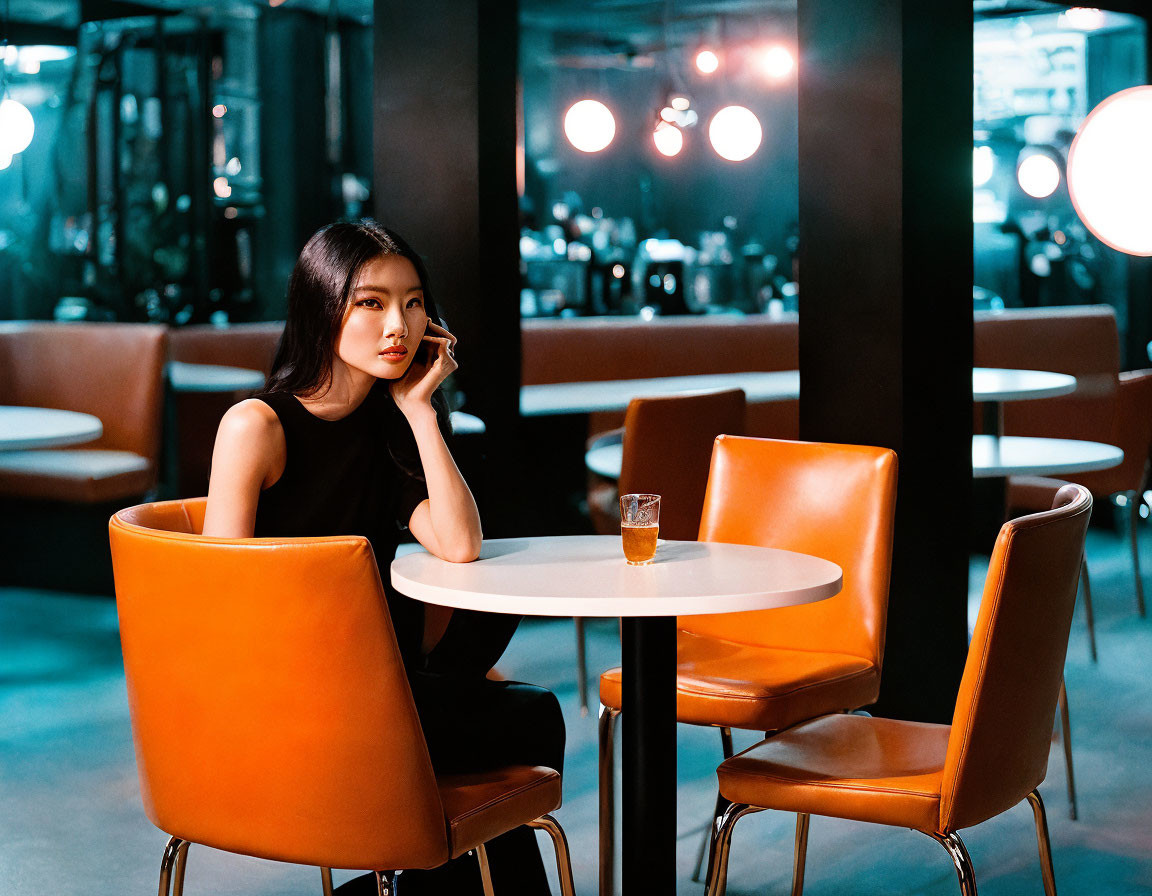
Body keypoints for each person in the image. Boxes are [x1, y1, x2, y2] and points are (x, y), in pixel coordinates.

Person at [203, 220, 565, 894]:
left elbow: (459, 543)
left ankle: (395, 883)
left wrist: (422, 412)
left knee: (516, 713)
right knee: (528, 722)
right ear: (321, 308)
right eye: (370, 302)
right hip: (300, 700)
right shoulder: (258, 426)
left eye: (414, 301)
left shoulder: (389, 426)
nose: (397, 323)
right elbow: (223, 597)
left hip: (383, 686)